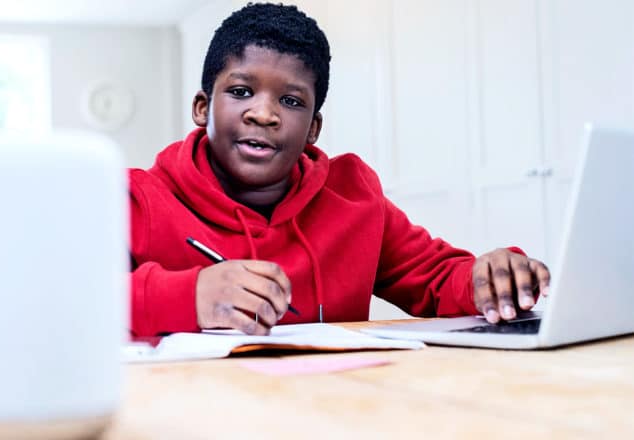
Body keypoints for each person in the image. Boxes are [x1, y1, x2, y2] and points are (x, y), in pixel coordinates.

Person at [128, 2, 550, 337]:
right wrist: (191, 295)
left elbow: (436, 278)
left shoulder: (353, 197)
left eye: (291, 101)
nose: (264, 113)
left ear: (313, 129)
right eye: (241, 92)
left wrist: (489, 280)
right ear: (203, 107)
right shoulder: (139, 200)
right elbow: (75, 299)